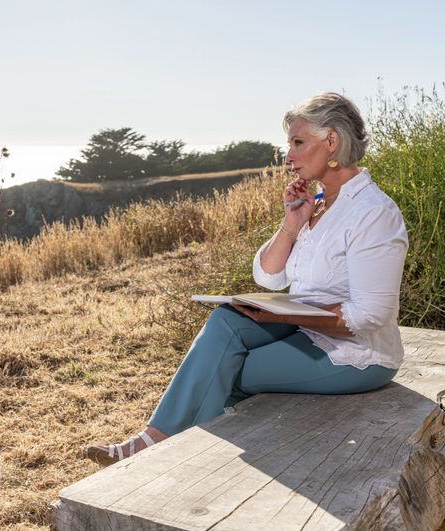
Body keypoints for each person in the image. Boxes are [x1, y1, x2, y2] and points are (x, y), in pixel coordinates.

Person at [85, 92, 409, 466]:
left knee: (226, 368)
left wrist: (282, 317)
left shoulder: (373, 214)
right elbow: (270, 278)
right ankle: (162, 439)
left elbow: (369, 317)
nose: (288, 156)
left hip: (359, 356)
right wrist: (291, 224)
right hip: (307, 330)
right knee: (225, 320)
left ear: (332, 141)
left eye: (298, 143)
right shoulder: (318, 205)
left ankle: (177, 452)